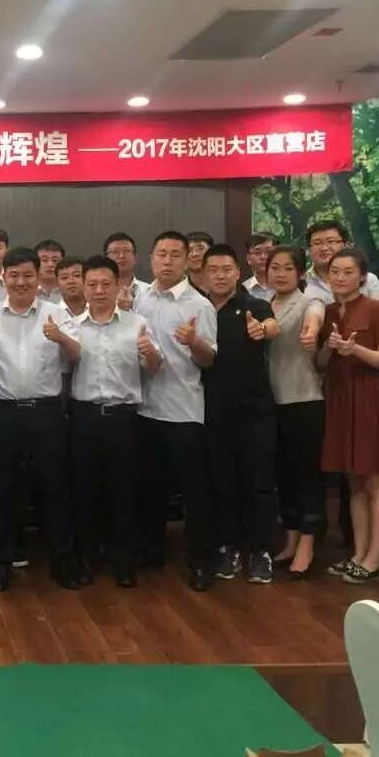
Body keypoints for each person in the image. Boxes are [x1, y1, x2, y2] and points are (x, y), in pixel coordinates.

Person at [0, 246, 82, 592]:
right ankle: (1, 563)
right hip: (3, 414)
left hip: (47, 414)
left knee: (55, 488)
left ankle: (61, 560)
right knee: (1, 490)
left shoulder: (57, 314)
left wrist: (61, 337)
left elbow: (77, 355)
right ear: (3, 277)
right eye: (14, 275)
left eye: (28, 275)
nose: (21, 282)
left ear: (38, 276)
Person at [133, 231, 218, 592]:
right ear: (151, 258)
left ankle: (201, 560)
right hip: (145, 408)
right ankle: (151, 551)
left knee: (194, 491)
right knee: (149, 488)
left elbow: (209, 360)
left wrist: (193, 341)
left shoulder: (200, 305)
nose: (166, 261)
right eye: (161, 254)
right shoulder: (140, 299)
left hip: (184, 411)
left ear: (187, 260)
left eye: (174, 255)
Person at [68, 256, 159, 587]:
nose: (99, 290)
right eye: (92, 284)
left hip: (124, 419)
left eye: (105, 284)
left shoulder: (137, 323)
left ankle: (123, 560)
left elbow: (154, 367)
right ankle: (86, 559)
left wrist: (150, 352)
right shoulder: (71, 327)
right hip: (84, 418)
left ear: (119, 285)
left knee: (124, 491)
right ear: (83, 287)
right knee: (84, 491)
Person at [316, 248, 379, 584]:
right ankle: (358, 554)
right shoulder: (327, 312)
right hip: (339, 399)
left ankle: (375, 559)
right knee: (353, 481)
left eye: (348, 271)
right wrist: (329, 347)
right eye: (335, 271)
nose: (340, 277)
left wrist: (356, 350)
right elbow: (321, 363)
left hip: (368, 398)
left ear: (363, 277)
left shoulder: (377, 310)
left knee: (376, 480)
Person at [201, 245, 279, 585]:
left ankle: (261, 551)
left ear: (237, 272)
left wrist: (264, 330)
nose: (220, 275)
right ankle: (228, 547)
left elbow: (271, 326)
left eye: (226, 269)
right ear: (203, 274)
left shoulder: (254, 305)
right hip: (212, 412)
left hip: (255, 412)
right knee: (222, 485)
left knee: (259, 484)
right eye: (213, 270)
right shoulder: (198, 308)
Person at [265, 246, 326, 578]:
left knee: (306, 475)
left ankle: (308, 543)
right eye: (275, 267)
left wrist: (312, 330)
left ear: (300, 273)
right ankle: (290, 540)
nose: (280, 273)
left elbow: (315, 316)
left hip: (304, 399)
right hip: (271, 402)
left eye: (288, 268)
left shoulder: (309, 301)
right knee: (283, 475)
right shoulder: (264, 304)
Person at [303, 221, 379, 304]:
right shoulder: (302, 282)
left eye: (330, 241)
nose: (324, 248)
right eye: (317, 243)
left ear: (345, 245)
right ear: (309, 249)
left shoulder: (368, 280)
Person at [103, 232, 151, 308]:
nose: (121, 256)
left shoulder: (149, 291)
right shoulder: (97, 292)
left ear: (135, 257)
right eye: (115, 252)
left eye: (126, 251)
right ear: (106, 259)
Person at [243, 234, 276, 302]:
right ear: (248, 258)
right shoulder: (243, 289)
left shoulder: (286, 285)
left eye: (269, 252)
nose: (263, 257)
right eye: (257, 253)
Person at [34, 239, 66, 304]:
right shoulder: (27, 292)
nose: (50, 264)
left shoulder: (70, 292)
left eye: (55, 260)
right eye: (44, 260)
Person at [185, 231, 214, 296]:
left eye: (201, 249)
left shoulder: (224, 284)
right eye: (189, 250)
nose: (195, 254)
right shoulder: (179, 290)